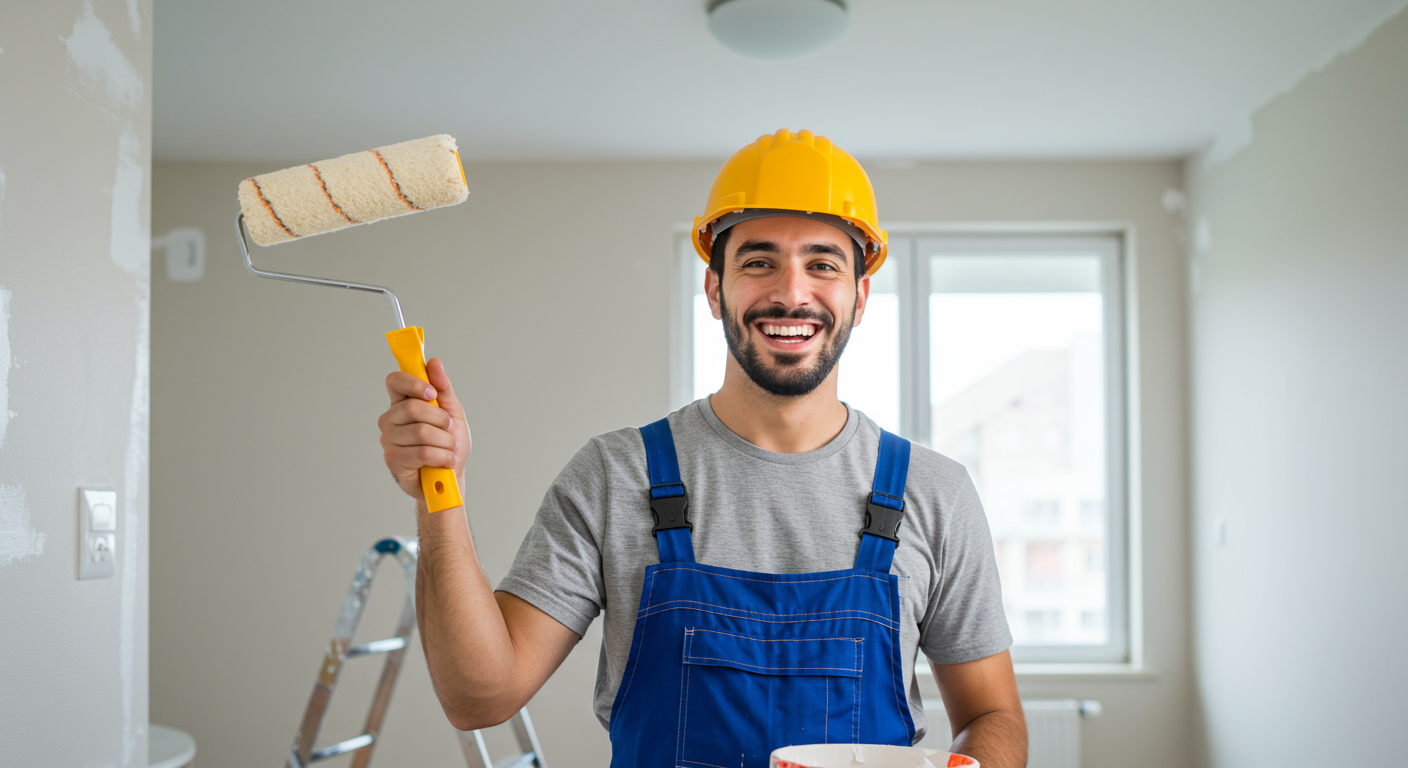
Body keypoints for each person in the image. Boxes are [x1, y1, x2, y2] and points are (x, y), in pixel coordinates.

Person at [377, 129, 1027, 768]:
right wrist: (440, 493)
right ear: (715, 290)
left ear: (859, 297)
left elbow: (992, 718)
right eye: (758, 262)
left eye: (823, 264)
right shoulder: (615, 476)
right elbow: (479, 697)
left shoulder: (932, 494)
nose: (791, 293)